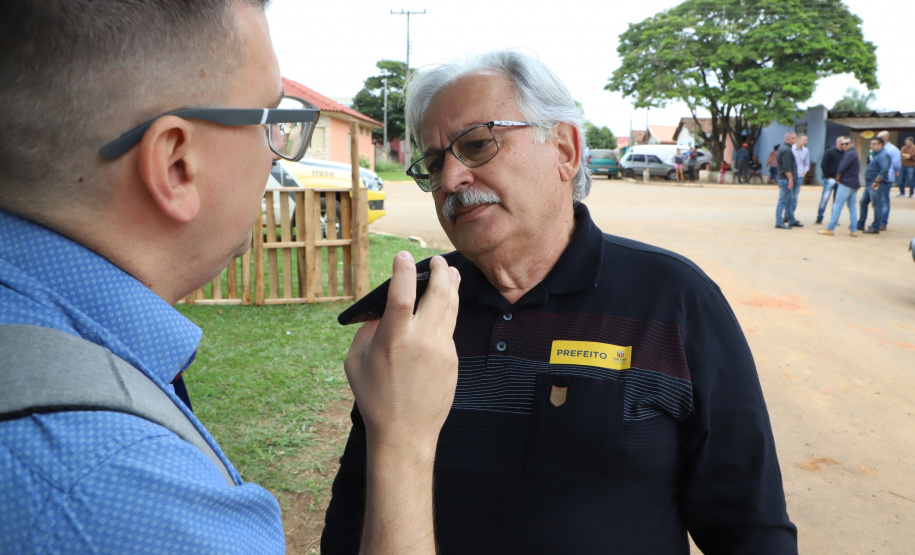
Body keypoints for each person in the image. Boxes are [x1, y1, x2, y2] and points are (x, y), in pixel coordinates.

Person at [0, 1, 460, 553]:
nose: (274, 158)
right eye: (269, 123)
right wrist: (404, 438)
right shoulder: (127, 490)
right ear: (176, 165)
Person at [321, 50, 797, 554]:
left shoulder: (675, 301)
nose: (452, 179)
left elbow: (751, 530)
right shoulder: (413, 312)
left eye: (478, 145)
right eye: (435, 163)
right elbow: (355, 508)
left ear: (565, 149)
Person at [818, 137, 860, 237]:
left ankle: (830, 228)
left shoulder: (849, 154)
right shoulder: (853, 153)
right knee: (852, 207)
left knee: (837, 206)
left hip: (846, 183)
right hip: (854, 183)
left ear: (852, 144)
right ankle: (854, 230)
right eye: (843, 144)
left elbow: (841, 168)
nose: (844, 145)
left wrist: (837, 178)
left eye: (846, 143)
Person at [862, 136, 891, 234]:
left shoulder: (883, 155)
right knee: (863, 202)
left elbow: (884, 169)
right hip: (870, 183)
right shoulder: (877, 154)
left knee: (877, 205)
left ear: (881, 145)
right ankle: (861, 223)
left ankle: (875, 227)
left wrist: (877, 181)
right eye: (871, 144)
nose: (871, 146)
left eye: (874, 144)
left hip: (876, 183)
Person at [817, 136, 845, 224]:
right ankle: (819, 217)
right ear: (838, 142)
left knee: (837, 200)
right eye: (842, 142)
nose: (844, 144)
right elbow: (824, 164)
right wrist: (828, 176)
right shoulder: (830, 152)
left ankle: (834, 219)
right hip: (829, 179)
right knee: (825, 198)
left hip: (839, 180)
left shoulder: (844, 153)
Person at [876, 130, 901, 230]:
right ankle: (877, 222)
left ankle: (883, 223)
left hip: (887, 178)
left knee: (884, 200)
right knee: (877, 201)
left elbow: (896, 163)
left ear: (886, 138)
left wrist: (896, 171)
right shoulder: (879, 149)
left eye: (880, 137)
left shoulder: (893, 149)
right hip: (877, 177)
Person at [775, 132, 800, 229]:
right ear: (789, 139)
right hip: (785, 179)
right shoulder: (786, 150)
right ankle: (779, 221)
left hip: (784, 178)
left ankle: (791, 220)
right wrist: (791, 179)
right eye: (794, 139)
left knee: (789, 201)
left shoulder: (783, 148)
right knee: (783, 201)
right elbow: (787, 167)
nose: (795, 141)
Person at [789, 134, 810, 223]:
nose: (806, 142)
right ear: (798, 140)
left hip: (799, 176)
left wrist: (803, 174)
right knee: (788, 196)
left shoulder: (805, 150)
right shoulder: (791, 149)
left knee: (794, 197)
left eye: (806, 140)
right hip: (791, 176)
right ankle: (787, 215)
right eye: (804, 140)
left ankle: (791, 216)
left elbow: (807, 163)